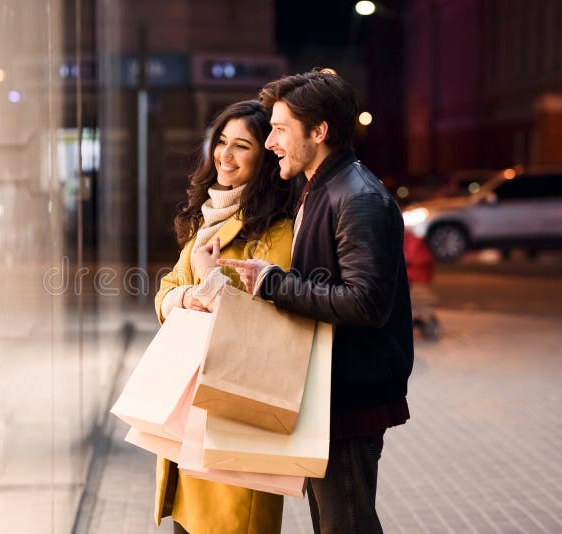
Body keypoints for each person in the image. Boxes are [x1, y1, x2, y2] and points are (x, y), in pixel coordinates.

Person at [219, 70, 414, 534]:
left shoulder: (358, 196)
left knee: (345, 524)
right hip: (333, 393)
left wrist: (273, 284)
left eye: (280, 129)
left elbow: (366, 302)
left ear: (319, 131)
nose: (270, 143)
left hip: (350, 396)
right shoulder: (323, 185)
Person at [154, 100, 295, 533]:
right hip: (190, 401)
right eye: (221, 142)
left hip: (235, 405)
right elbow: (166, 290)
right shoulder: (208, 218)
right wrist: (186, 298)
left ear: (265, 159)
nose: (225, 156)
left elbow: (271, 316)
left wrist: (212, 283)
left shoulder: (275, 230)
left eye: (241, 146)